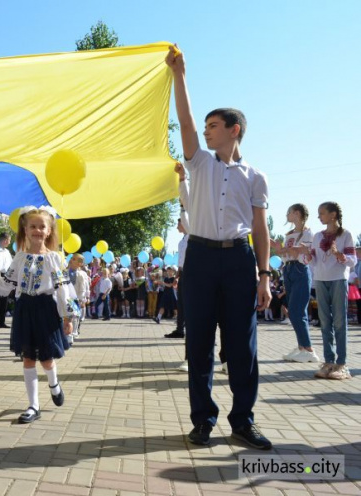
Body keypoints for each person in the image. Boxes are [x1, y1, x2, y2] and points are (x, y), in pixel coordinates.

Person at [167, 46, 272, 449]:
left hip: (241, 260)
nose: (206, 131)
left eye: (215, 125)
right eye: (206, 125)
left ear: (234, 130)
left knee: (242, 345)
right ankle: (203, 419)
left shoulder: (256, 176)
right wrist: (180, 75)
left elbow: (260, 229)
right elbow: (185, 122)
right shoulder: (200, 164)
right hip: (201, 258)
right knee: (199, 344)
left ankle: (243, 419)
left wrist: (264, 275)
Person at [0, 206, 78, 423]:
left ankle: (54, 384)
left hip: (46, 309)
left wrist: (67, 317)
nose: (37, 230)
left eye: (41, 226)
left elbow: (63, 288)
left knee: (46, 358)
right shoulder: (19, 257)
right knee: (27, 357)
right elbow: (7, 283)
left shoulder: (54, 258)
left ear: (49, 231)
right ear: (25, 230)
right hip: (24, 309)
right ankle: (33, 405)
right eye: (32, 226)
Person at [305, 202, 356, 380]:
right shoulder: (318, 236)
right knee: (325, 322)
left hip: (338, 279)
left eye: (322, 213)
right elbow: (313, 260)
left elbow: (352, 261)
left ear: (333, 215)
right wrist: (308, 256)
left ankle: (342, 364)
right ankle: (328, 362)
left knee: (340, 322)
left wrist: (339, 255)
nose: (319, 216)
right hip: (320, 279)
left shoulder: (346, 234)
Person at [0, 232, 13, 328]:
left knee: (5, 299)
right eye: (9, 240)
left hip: (6, 275)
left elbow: (11, 265)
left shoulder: (7, 252)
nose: (9, 242)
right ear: (5, 240)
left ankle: (1, 321)